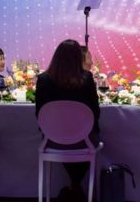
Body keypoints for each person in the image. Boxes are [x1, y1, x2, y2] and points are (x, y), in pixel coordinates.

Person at [35, 39, 101, 201]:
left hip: (52, 139)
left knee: (75, 137)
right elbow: (95, 113)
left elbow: (39, 113)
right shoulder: (86, 79)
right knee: (88, 138)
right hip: (83, 139)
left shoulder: (43, 80)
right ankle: (75, 187)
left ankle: (72, 189)